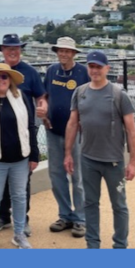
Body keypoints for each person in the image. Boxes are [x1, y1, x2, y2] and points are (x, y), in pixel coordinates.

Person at [64, 51, 135, 249]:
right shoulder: (80, 92)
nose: (95, 70)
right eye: (91, 66)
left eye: (99, 66)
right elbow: (72, 124)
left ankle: (120, 245)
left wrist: (132, 162)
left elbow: (131, 130)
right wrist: (68, 154)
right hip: (88, 159)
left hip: (113, 161)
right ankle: (92, 244)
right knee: (90, 204)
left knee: (119, 206)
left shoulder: (118, 95)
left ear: (107, 68)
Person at [0, 34, 47, 235]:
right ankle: (2, 217)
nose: (13, 51)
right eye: (8, 48)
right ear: (2, 50)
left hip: (24, 133)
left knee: (22, 183)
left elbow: (41, 96)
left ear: (21, 49)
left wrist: (43, 106)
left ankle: (22, 219)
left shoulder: (30, 72)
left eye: (16, 48)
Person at [0, 63, 39, 249]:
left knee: (19, 196)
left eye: (4, 77)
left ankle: (19, 234)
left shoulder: (22, 98)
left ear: (10, 79)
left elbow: (30, 126)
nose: (0, 80)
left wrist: (34, 155)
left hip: (21, 158)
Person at [43, 37, 89, 238]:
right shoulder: (52, 71)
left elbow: (91, 99)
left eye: (67, 51)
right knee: (56, 175)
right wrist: (44, 112)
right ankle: (65, 215)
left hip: (77, 133)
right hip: (53, 130)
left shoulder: (83, 72)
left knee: (78, 177)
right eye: (60, 51)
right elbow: (44, 95)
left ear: (73, 53)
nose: (63, 54)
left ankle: (80, 218)